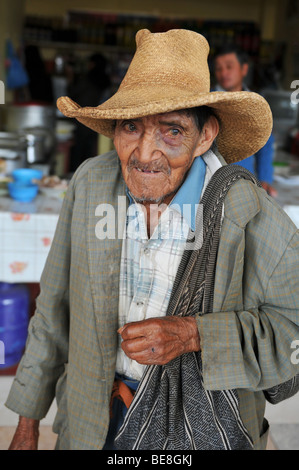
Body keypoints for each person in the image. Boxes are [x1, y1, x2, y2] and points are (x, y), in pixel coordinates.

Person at [6, 29, 299, 451]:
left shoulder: (247, 211)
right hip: (92, 421)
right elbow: (53, 309)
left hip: (193, 437)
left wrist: (194, 334)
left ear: (205, 135)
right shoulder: (91, 183)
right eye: (131, 127)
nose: (144, 154)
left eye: (172, 131)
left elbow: (293, 334)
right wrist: (27, 423)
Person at [213, 45, 277, 197]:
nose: (224, 73)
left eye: (229, 66)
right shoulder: (207, 103)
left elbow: (266, 144)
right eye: (218, 68)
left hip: (244, 181)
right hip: (211, 182)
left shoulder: (257, 104)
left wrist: (265, 178)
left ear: (244, 69)